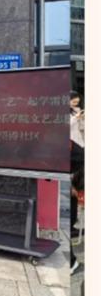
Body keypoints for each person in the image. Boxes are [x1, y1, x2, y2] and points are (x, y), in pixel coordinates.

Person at [70, 91, 84, 238]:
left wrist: (82, 119)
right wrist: (76, 118)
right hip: (72, 148)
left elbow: (83, 129)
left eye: (77, 100)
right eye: (73, 100)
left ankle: (76, 222)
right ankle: (73, 222)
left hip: (80, 145)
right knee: (74, 187)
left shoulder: (77, 111)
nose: (76, 102)